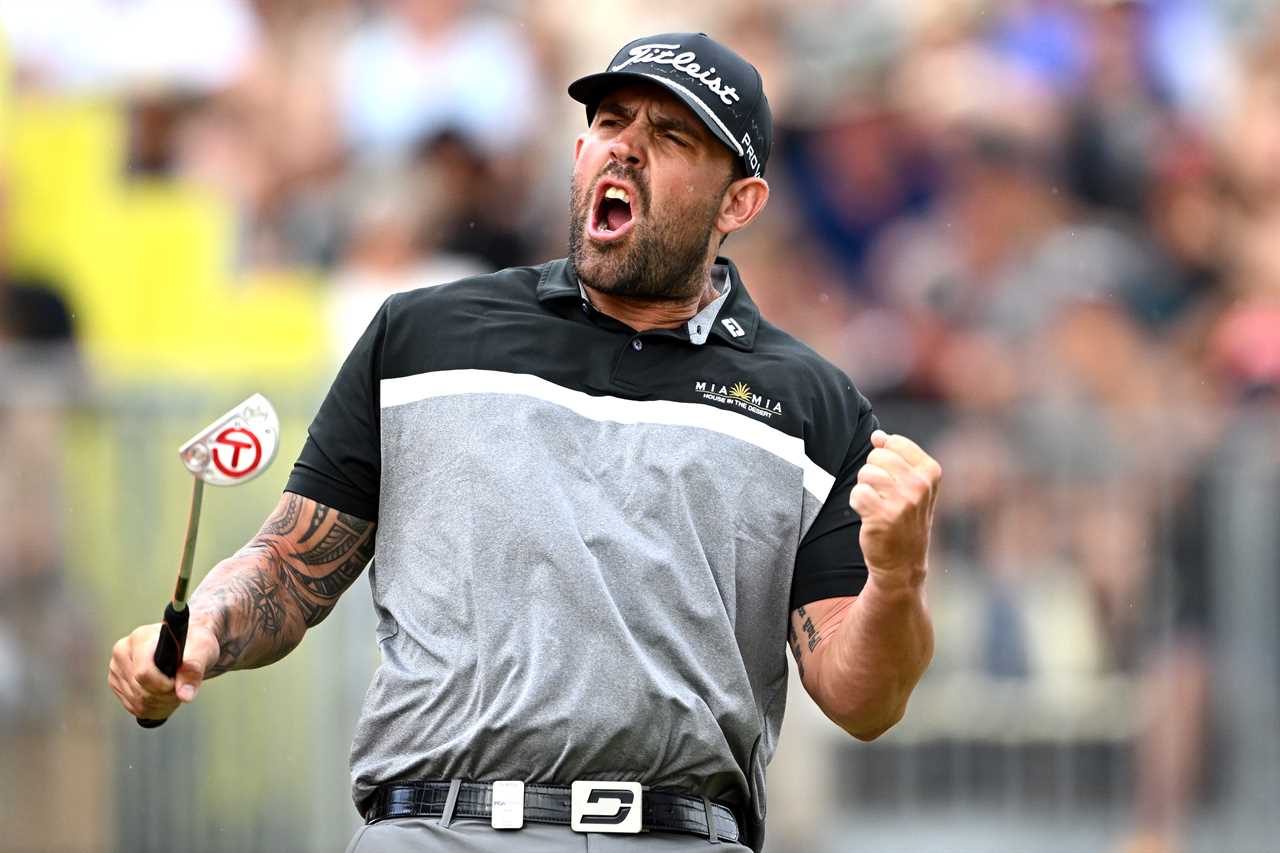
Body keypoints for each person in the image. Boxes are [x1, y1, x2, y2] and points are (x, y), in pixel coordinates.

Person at [108, 33, 940, 852]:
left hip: (675, 835)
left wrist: (898, 575)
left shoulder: (811, 404)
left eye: (671, 137)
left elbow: (862, 698)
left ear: (739, 202)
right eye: (613, 124)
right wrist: (202, 633)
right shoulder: (423, 334)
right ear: (579, 152)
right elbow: (291, 565)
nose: (627, 150)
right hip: (431, 827)